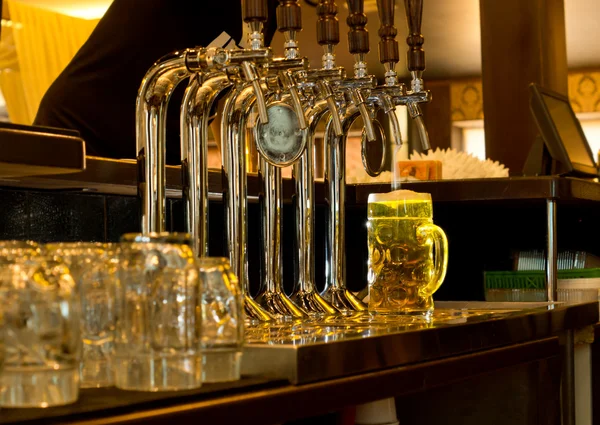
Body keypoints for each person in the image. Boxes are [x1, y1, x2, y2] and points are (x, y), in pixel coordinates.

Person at [33, 0, 278, 165]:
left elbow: (226, 93)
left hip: (157, 147)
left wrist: (238, 173)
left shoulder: (269, 10)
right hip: (81, 130)